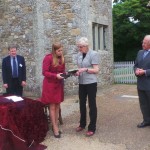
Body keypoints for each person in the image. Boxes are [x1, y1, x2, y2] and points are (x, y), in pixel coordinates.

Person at [75, 37, 99, 136]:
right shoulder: (78, 55)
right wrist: (76, 72)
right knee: (81, 104)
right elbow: (79, 68)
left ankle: (92, 127)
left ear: (86, 46)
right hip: (82, 82)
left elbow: (96, 70)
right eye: (78, 47)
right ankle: (82, 124)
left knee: (92, 105)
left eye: (81, 47)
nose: (79, 49)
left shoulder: (93, 54)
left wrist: (85, 69)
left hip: (91, 83)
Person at [41, 42, 65, 138]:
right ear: (54, 50)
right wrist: (56, 75)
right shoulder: (48, 58)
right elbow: (44, 72)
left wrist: (66, 74)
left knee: (58, 105)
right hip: (50, 85)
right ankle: (54, 127)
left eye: (62, 50)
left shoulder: (62, 58)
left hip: (59, 85)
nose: (61, 52)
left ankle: (56, 124)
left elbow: (63, 71)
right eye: (59, 51)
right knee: (52, 106)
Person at [134, 35, 150, 128]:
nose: (142, 44)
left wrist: (145, 72)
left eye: (145, 43)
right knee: (143, 103)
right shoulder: (140, 52)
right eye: (143, 42)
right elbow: (135, 65)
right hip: (141, 83)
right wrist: (136, 71)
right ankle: (146, 120)